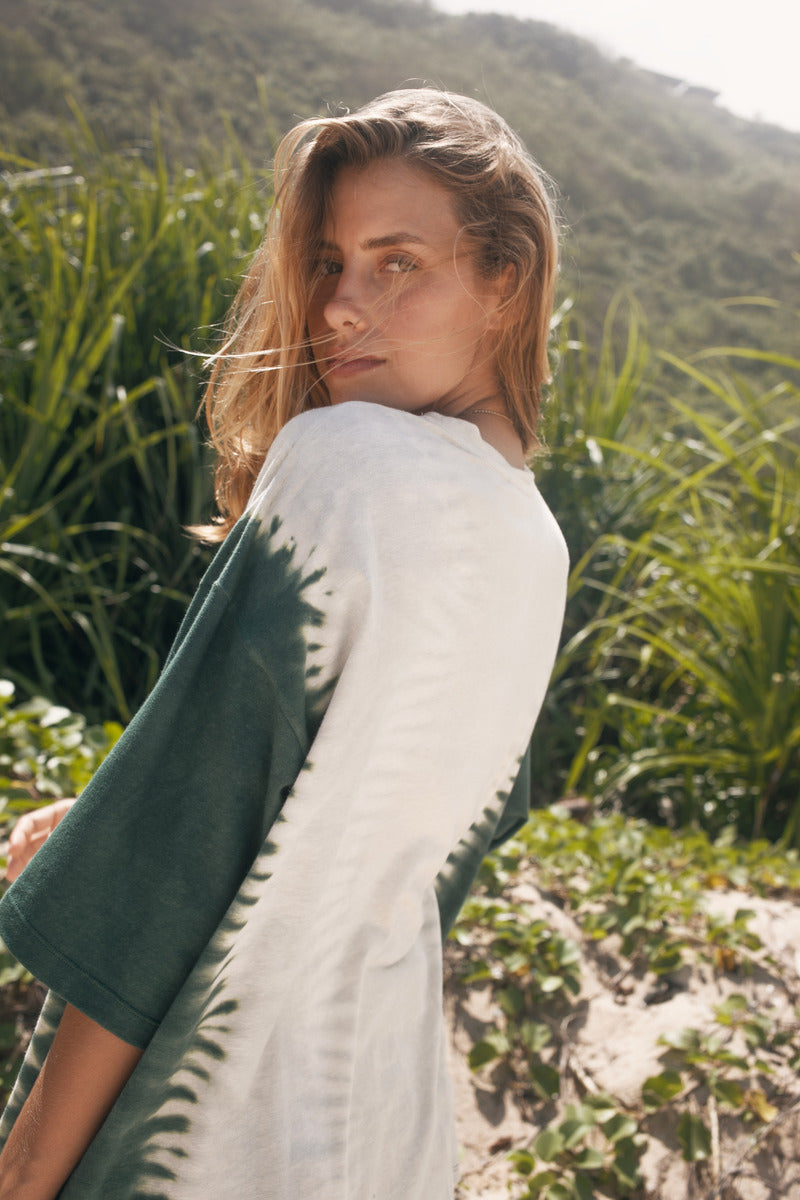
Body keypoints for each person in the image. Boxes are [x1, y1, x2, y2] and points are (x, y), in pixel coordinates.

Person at [0, 88, 568, 1199]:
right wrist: (115, 819)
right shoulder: (533, 543)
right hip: (383, 1128)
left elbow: (177, 868)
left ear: (505, 278)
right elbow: (394, 840)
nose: (341, 308)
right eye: (328, 264)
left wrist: (26, 1169)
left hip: (209, 1125)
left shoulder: (345, 461)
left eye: (397, 263)